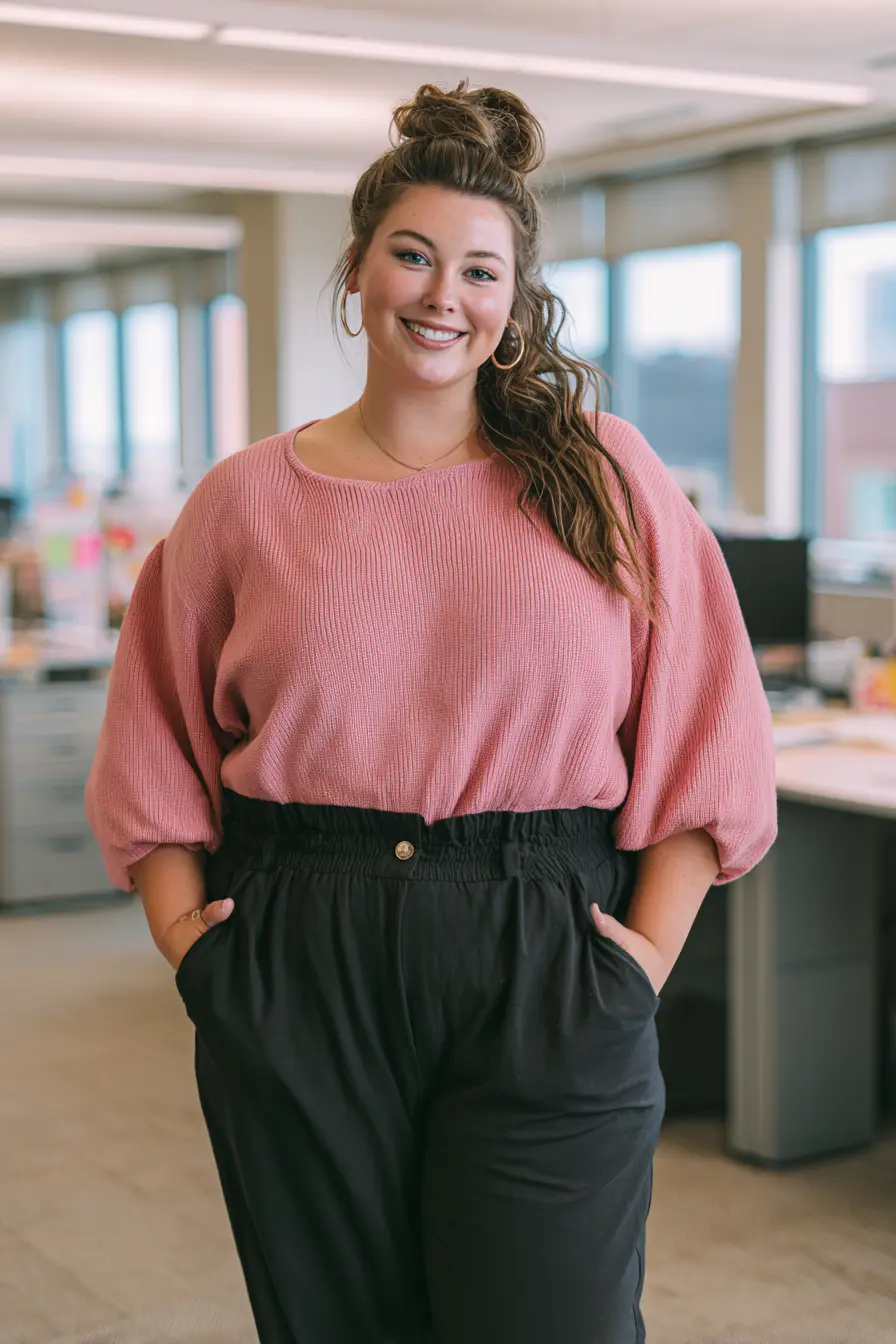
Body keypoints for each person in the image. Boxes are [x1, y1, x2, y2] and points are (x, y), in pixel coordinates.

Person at [85, 80, 777, 1344]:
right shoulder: (244, 501)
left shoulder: (600, 473)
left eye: (478, 269)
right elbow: (154, 740)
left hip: (545, 945)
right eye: (411, 255)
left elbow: (706, 727)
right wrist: (200, 954)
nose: (441, 295)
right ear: (357, 269)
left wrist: (642, 966)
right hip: (302, 949)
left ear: (513, 300)